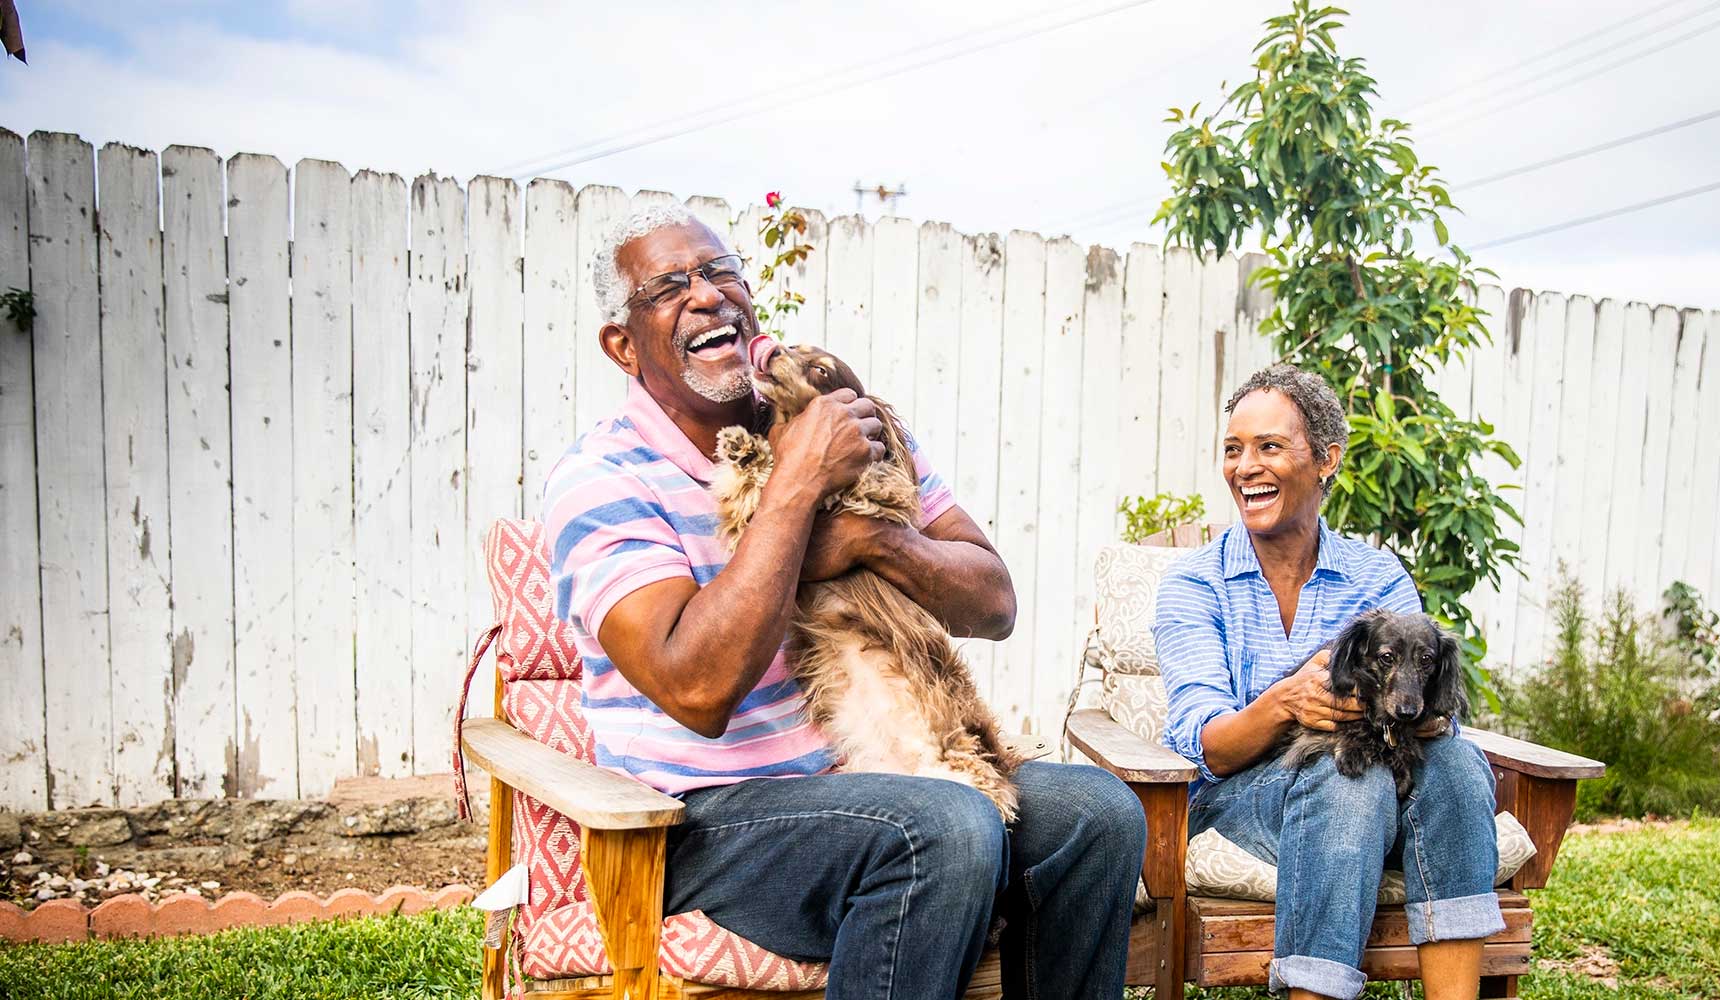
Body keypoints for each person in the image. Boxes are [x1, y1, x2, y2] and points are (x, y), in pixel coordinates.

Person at [542, 200, 1146, 1000]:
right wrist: (796, 484)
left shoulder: (839, 426)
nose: (708, 294)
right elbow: (698, 688)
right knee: (939, 829)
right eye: (670, 286)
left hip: (882, 766)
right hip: (707, 820)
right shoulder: (601, 481)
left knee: (1099, 813)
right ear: (623, 344)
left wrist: (874, 540)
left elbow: (993, 602)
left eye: (722, 272)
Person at [1152, 364, 1502, 1000]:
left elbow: (1424, 707)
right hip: (1239, 799)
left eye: (1270, 446)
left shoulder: (1377, 578)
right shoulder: (1194, 584)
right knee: (1350, 777)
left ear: (1327, 459)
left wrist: (1422, 712)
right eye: (1234, 449)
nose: (1245, 466)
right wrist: (1284, 703)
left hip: (1388, 790)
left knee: (1456, 764)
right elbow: (1207, 747)